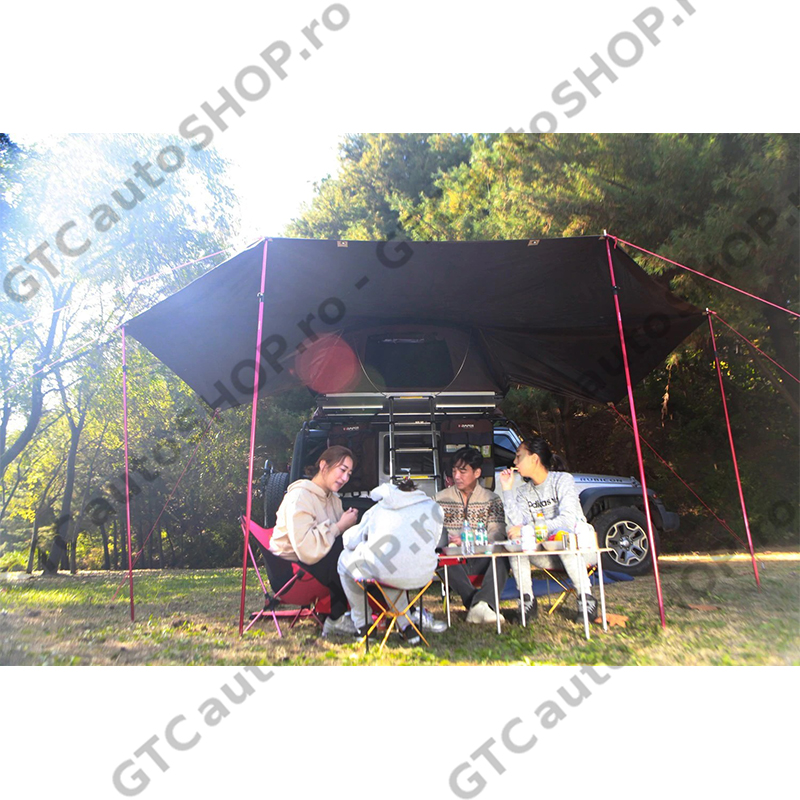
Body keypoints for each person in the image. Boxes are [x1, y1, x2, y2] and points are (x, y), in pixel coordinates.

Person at [499, 436, 598, 623]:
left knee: (563, 536)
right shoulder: (524, 492)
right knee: (515, 544)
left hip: (580, 549)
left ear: (534, 459)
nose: (514, 462)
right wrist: (507, 490)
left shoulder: (562, 480)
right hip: (545, 553)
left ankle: (586, 599)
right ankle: (527, 601)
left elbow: (568, 520)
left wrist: (529, 529)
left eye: (519, 456)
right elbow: (516, 525)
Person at [338, 477, 445, 643]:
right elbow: (435, 541)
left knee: (346, 560)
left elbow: (352, 541)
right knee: (391, 566)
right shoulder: (433, 508)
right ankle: (407, 625)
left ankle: (364, 625)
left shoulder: (378, 509)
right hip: (423, 574)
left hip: (386, 570)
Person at [269, 445, 360, 638]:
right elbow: (306, 549)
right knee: (342, 552)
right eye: (342, 470)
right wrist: (340, 526)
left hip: (312, 564)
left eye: (349, 474)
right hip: (290, 572)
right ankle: (337, 618)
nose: (345, 478)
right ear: (324, 466)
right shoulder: (299, 496)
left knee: (356, 547)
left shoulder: (333, 499)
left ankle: (394, 610)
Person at [435, 447, 508, 624]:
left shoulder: (492, 499)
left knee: (503, 556)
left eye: (462, 471)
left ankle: (479, 605)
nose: (457, 476)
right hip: (454, 560)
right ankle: (480, 605)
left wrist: (471, 540)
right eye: (454, 471)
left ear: (477, 473)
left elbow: (497, 533)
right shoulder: (439, 499)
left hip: (482, 557)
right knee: (439, 557)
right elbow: (432, 534)